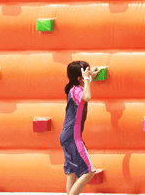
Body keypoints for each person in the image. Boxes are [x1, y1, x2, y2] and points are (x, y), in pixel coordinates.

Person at [60, 61, 100, 195]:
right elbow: (87, 96)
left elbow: (85, 91)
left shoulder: (73, 88)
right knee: (89, 171)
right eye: (85, 73)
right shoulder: (77, 90)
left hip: (66, 137)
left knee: (72, 172)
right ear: (80, 78)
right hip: (73, 138)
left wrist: (89, 78)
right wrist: (88, 79)